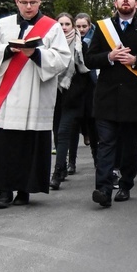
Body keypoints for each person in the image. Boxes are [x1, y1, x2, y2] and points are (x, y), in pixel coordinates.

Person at [0, 0, 71, 208]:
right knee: (4, 146)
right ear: (16, 2)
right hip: (7, 97)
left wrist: (36, 53)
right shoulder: (3, 25)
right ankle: (4, 191)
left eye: (33, 2)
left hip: (35, 95)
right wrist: (8, 50)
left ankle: (24, 191)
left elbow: (62, 58)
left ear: (40, 1)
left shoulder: (52, 27)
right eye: (24, 2)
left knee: (29, 145)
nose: (29, 7)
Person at [85, 0, 137, 207]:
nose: (125, 0)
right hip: (106, 97)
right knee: (106, 144)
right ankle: (103, 188)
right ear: (115, 2)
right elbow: (89, 60)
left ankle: (126, 184)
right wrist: (109, 56)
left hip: (133, 98)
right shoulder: (102, 28)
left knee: (129, 145)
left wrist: (135, 60)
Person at [50, 13, 91, 190]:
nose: (64, 27)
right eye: (60, 24)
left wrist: (74, 92)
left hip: (73, 96)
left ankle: (58, 172)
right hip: (54, 94)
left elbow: (85, 72)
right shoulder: (50, 44)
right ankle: (65, 165)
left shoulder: (81, 45)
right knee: (56, 132)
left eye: (67, 24)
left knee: (64, 132)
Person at [74, 13, 99, 168]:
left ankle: (96, 156)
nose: (82, 29)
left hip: (92, 83)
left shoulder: (94, 39)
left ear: (90, 26)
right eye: (79, 26)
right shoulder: (71, 40)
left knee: (92, 119)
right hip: (76, 84)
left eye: (84, 26)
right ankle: (70, 162)